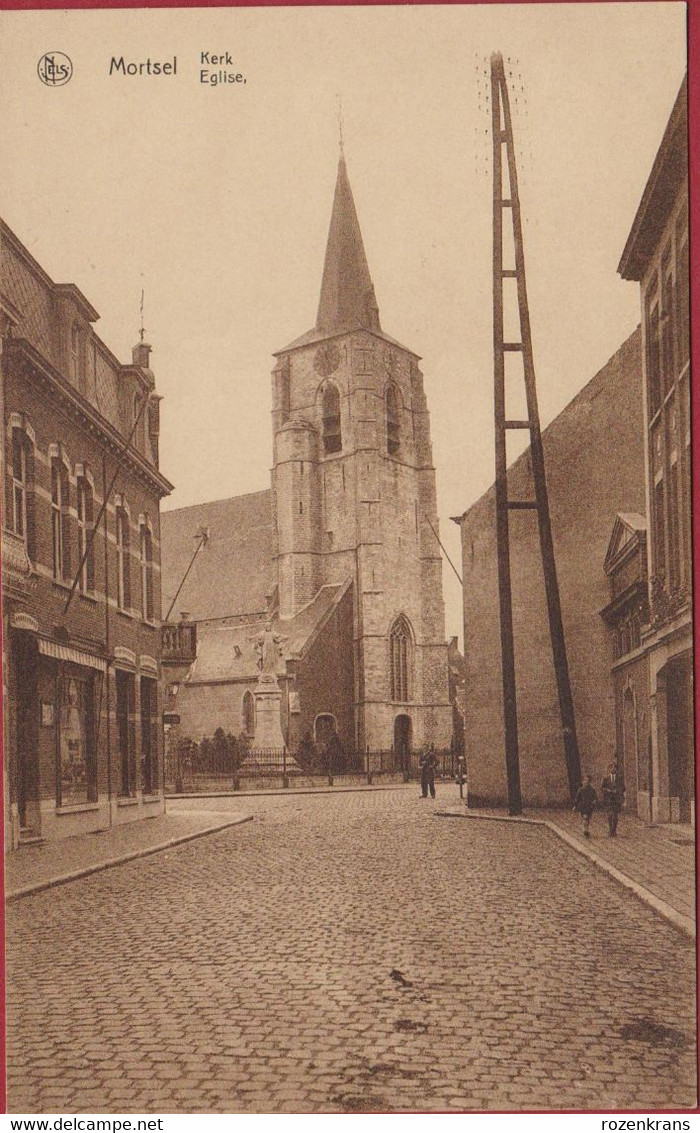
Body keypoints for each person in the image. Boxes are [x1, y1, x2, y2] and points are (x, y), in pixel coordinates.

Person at [601, 762, 625, 838]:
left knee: (615, 815)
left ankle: (614, 830)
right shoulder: (606, 778)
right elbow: (602, 788)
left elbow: (623, 788)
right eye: (611, 767)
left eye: (614, 768)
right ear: (609, 769)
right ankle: (610, 829)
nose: (613, 769)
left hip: (617, 799)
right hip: (608, 799)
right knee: (610, 814)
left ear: (616, 770)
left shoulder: (620, 778)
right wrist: (607, 790)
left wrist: (617, 791)